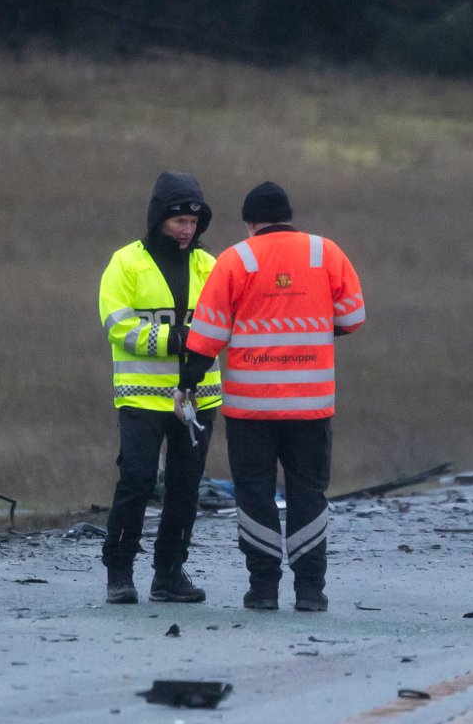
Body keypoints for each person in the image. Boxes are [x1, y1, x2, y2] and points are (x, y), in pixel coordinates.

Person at [179, 181, 366, 611]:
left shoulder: (235, 259)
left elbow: (206, 337)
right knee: (308, 494)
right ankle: (310, 590)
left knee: (254, 494)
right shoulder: (326, 253)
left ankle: (263, 588)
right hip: (311, 405)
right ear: (288, 216)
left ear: (250, 223)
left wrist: (188, 382)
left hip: (251, 408)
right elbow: (353, 317)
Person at [97, 172, 224, 604]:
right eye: (179, 222)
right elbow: (118, 326)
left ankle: (169, 572)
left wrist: (199, 344)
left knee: (186, 488)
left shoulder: (210, 265)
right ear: (158, 220)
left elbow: (227, 322)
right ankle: (119, 572)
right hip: (141, 396)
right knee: (135, 481)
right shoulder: (125, 263)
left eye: (194, 222)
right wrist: (178, 340)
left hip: (199, 397)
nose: (187, 231)